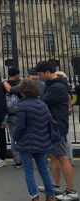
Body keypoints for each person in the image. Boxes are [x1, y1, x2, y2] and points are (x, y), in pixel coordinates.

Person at [36, 61, 78, 201]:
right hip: (52, 124)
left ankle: (71, 191)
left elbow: (43, 101)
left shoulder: (58, 87)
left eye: (40, 74)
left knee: (62, 157)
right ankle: (55, 185)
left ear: (47, 72)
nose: (39, 77)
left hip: (58, 126)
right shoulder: (53, 84)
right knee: (54, 155)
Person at [13, 79, 56, 201]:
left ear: (22, 91)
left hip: (26, 142)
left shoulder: (22, 105)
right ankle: (50, 195)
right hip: (42, 141)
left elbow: (20, 126)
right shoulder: (43, 104)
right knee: (44, 169)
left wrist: (15, 138)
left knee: (28, 170)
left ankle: (34, 196)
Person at [3, 66, 22, 168]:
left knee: (14, 137)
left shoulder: (3, 85)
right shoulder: (21, 85)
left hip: (9, 115)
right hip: (21, 114)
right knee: (23, 136)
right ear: (17, 74)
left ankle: (17, 159)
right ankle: (24, 157)